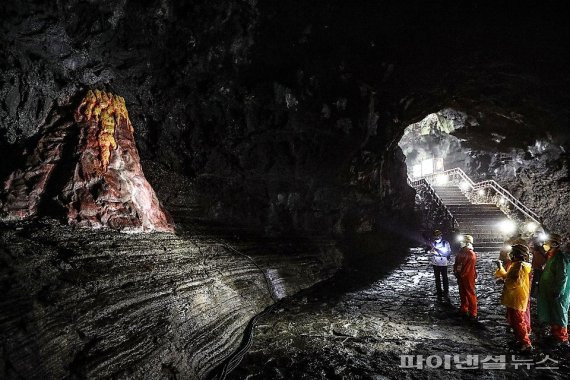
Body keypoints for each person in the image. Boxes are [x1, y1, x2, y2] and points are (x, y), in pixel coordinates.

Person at [495, 244, 533, 352]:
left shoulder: (520, 266)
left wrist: (503, 281)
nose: (510, 254)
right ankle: (519, 339)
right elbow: (508, 277)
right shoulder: (516, 265)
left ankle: (526, 343)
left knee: (519, 321)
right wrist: (500, 267)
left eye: (512, 252)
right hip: (513, 298)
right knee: (514, 320)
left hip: (517, 298)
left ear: (517, 254)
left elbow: (515, 282)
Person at [538, 234, 570, 347]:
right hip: (551, 290)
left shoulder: (559, 257)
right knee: (553, 313)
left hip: (558, 292)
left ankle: (562, 337)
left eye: (547, 242)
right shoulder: (551, 256)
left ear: (554, 244)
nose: (544, 244)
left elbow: (563, 276)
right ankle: (555, 334)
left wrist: (559, 291)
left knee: (560, 313)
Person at [453, 234, 478, 320]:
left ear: (467, 243)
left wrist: (460, 275)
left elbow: (468, 268)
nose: (461, 243)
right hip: (461, 276)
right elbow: (456, 262)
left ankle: (473, 312)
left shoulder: (471, 254)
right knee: (462, 293)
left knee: (470, 293)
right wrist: (456, 271)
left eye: (463, 241)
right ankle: (464, 309)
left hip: (468, 276)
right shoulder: (462, 252)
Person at [429, 230, 451, 299]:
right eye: (435, 237)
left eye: (437, 237)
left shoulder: (445, 243)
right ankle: (439, 291)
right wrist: (431, 251)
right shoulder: (434, 243)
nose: (436, 238)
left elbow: (448, 253)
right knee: (437, 278)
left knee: (444, 278)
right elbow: (431, 251)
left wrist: (438, 251)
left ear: (440, 236)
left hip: (443, 263)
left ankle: (446, 291)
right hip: (435, 263)